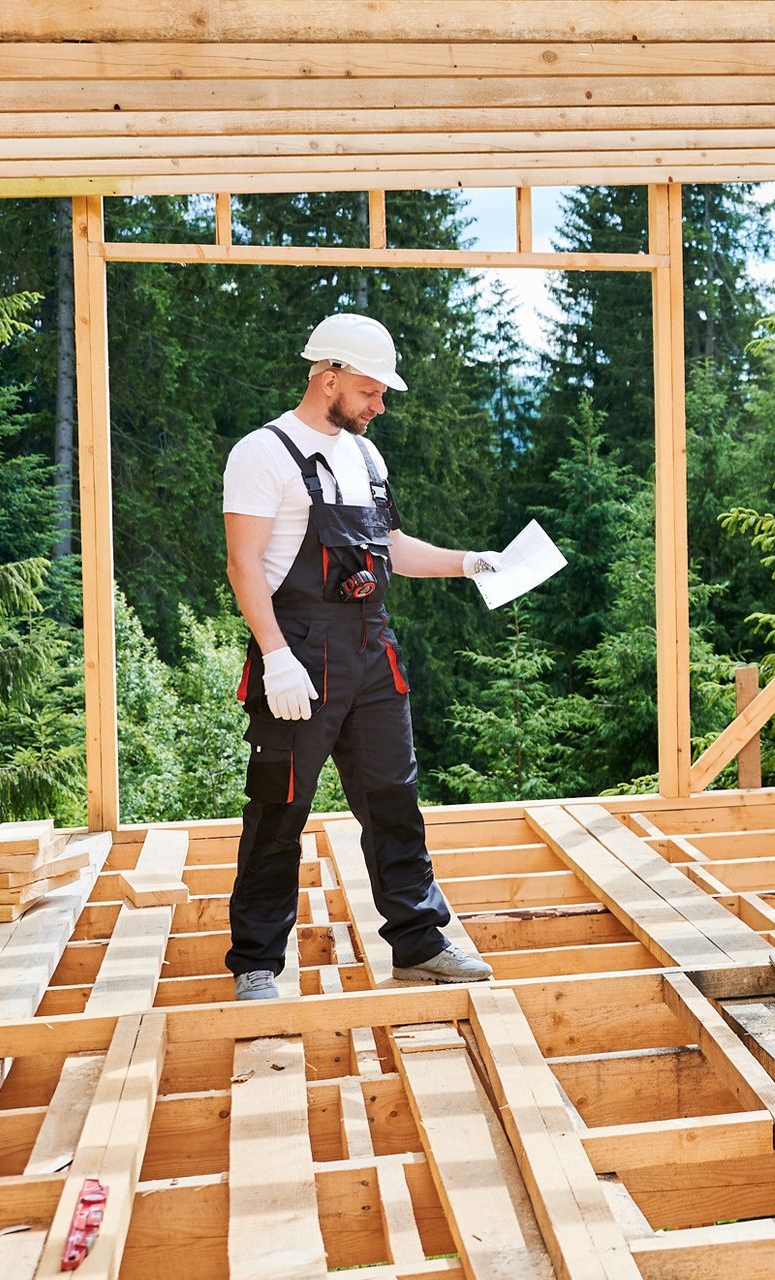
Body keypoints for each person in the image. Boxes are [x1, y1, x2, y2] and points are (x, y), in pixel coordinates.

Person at [221, 313, 504, 1001]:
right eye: (372, 392)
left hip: (374, 650)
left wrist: (470, 563)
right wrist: (276, 657)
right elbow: (244, 564)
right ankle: (257, 961)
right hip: (301, 655)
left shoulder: (366, 456)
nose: (380, 406)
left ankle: (419, 944)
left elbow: (393, 551)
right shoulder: (262, 454)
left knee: (393, 799)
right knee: (278, 808)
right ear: (330, 378)